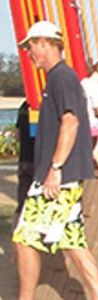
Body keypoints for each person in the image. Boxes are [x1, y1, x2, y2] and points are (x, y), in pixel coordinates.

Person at [12, 21, 98, 300]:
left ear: (44, 42)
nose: (28, 52)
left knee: (24, 240)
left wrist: (54, 169)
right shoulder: (58, 78)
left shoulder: (61, 77)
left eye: (30, 46)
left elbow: (71, 122)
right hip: (60, 178)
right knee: (73, 243)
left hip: (57, 179)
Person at [11, 101, 35, 260]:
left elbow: (17, 134)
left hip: (24, 161)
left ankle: (15, 251)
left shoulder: (23, 106)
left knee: (21, 206)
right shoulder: (40, 105)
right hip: (37, 161)